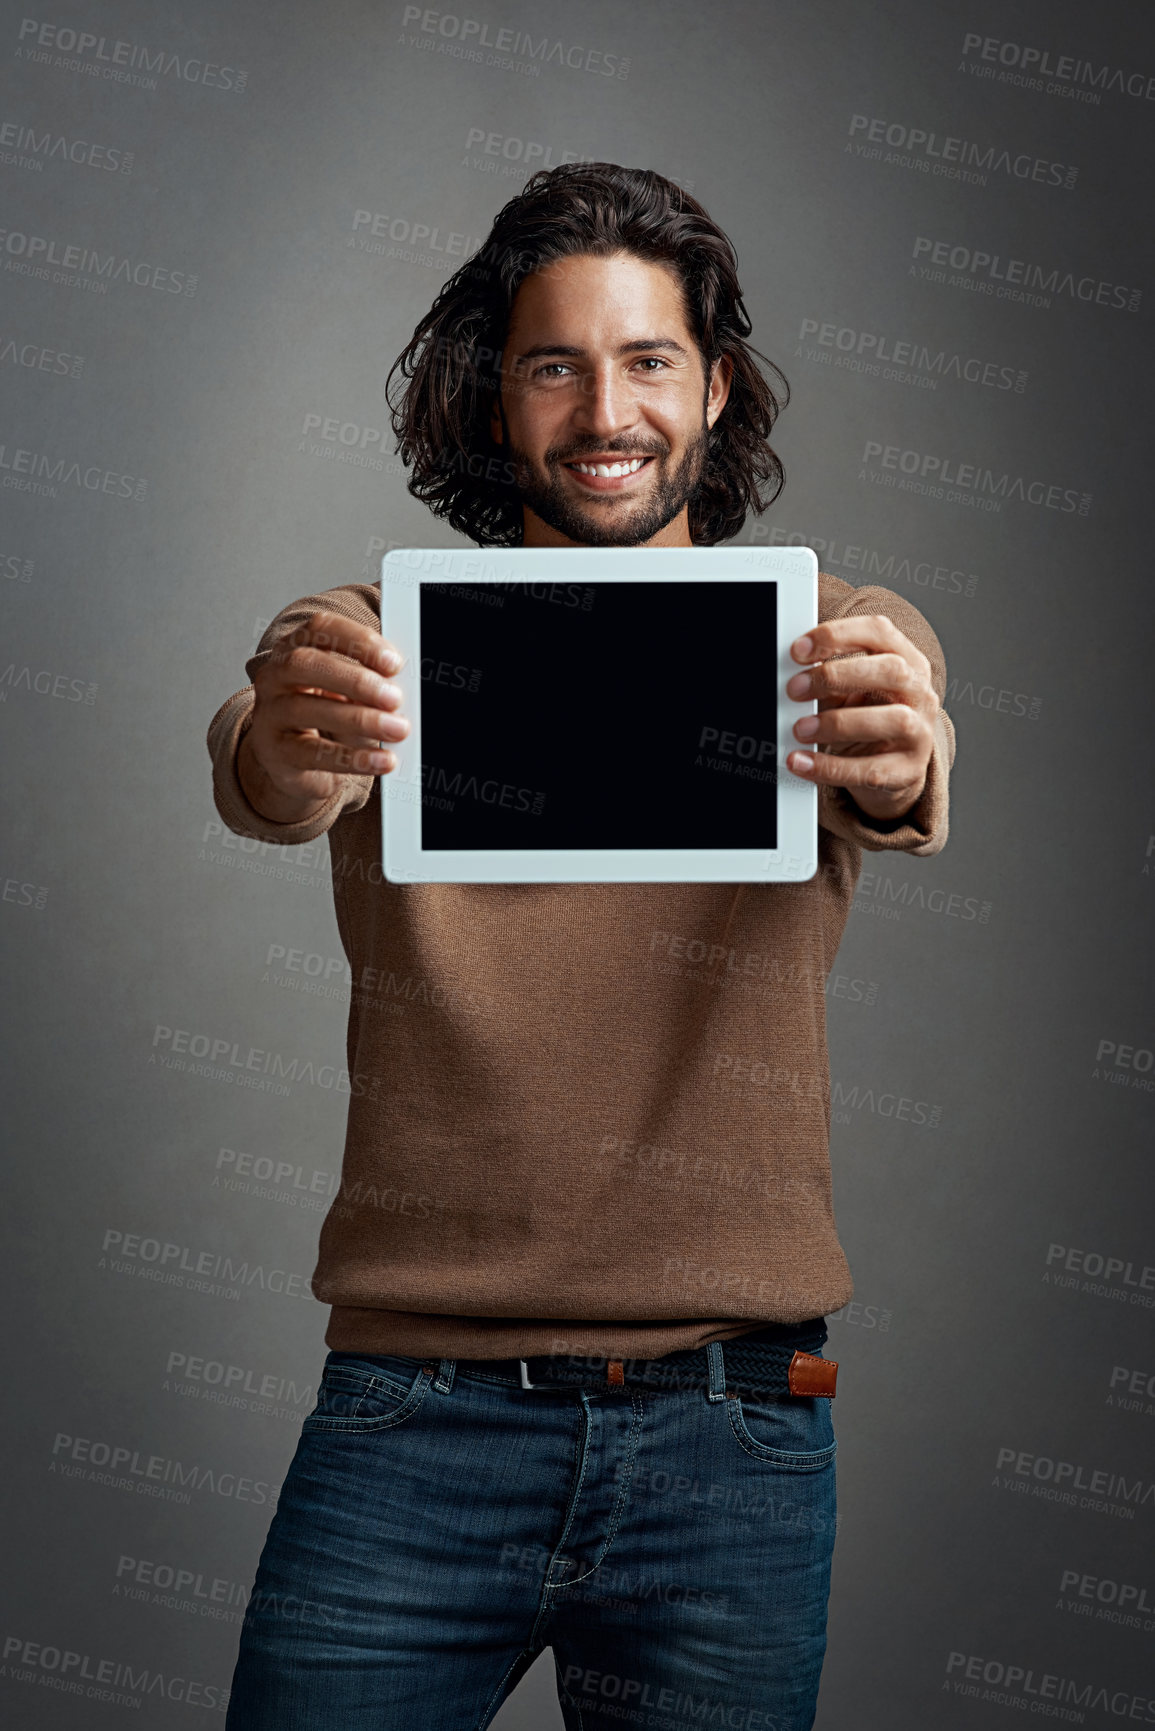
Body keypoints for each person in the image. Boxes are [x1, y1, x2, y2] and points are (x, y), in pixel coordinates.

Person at [209, 163, 955, 1730]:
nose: (603, 409)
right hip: (414, 1413)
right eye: (554, 364)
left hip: (736, 1424)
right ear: (495, 401)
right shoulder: (374, 641)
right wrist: (286, 744)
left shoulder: (826, 637)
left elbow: (903, 757)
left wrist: (899, 761)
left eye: (648, 361)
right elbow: (267, 763)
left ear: (716, 386)